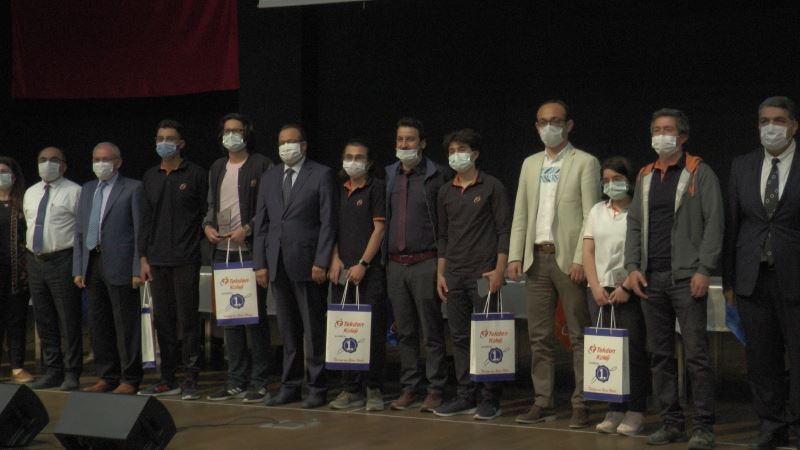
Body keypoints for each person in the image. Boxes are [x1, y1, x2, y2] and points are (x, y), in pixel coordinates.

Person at [624, 108, 723, 449]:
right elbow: (634, 225)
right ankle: (671, 422)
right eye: (656, 129)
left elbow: (714, 223)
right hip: (651, 278)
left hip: (686, 278)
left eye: (667, 130)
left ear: (682, 136)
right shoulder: (646, 175)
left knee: (696, 355)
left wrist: (704, 269)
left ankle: (703, 426)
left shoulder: (699, 172)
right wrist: (632, 266)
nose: (661, 135)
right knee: (660, 355)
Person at [508, 100, 600, 428]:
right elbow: (521, 212)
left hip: (568, 260)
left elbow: (591, 215)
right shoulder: (530, 164)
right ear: (536, 126)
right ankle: (543, 401)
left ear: (568, 125)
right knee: (539, 336)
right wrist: (516, 255)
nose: (549, 127)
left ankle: (581, 402)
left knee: (578, 335)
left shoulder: (585, 162)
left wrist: (580, 259)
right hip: (536, 259)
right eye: (543, 122)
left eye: (556, 121)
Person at [723, 96, 800, 450]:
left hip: (795, 277)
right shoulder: (742, 165)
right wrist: (729, 281)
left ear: (794, 126)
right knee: (762, 359)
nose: (771, 127)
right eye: (764, 121)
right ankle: (772, 425)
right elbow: (733, 225)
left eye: (779, 120)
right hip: (752, 279)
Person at [254, 124, 336, 409]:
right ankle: (290, 386)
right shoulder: (269, 177)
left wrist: (322, 260)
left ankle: (317, 386)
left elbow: (328, 222)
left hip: (309, 263)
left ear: (304, 145)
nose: (286, 146)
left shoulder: (321, 174)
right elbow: (262, 223)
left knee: (313, 330)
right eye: (281, 142)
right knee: (288, 331)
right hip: (276, 263)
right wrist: (260, 264)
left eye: (291, 141)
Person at [433, 129, 510, 421]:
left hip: (484, 274)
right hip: (454, 274)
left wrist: (500, 270)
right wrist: (441, 273)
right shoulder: (445, 191)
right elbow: (443, 235)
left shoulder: (492, 186)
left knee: (489, 337)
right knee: (460, 337)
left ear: (475, 153)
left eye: (462, 150)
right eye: (452, 151)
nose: (456, 156)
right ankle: (466, 395)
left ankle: (490, 398)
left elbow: (504, 230)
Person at [203, 113, 273, 403]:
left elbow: (269, 207)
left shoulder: (261, 164)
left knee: (254, 319)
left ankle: (260, 381)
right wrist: (207, 226)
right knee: (230, 319)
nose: (231, 135)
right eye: (227, 130)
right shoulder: (218, 167)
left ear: (247, 134)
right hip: (223, 252)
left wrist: (248, 229)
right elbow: (212, 205)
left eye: (237, 130)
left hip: (251, 252)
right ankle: (235, 380)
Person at [138, 120, 208, 400]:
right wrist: (143, 257)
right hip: (156, 260)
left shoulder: (196, 174)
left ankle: (191, 377)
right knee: (163, 321)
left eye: (169, 138)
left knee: (188, 320)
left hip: (186, 258)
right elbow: (144, 220)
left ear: (181, 144)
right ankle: (168, 378)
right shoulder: (150, 176)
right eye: (160, 138)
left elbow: (205, 214)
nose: (164, 142)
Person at [385, 117, 450, 412]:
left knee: (432, 331)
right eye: (400, 139)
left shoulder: (437, 175)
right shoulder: (389, 174)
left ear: (422, 143)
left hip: (426, 262)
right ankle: (410, 387)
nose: (404, 144)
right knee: (405, 331)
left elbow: (445, 223)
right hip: (396, 265)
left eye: (410, 139)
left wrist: (441, 264)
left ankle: (436, 389)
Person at [582, 156, 648, 436]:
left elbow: (643, 252)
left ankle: (636, 409)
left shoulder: (639, 211)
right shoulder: (597, 211)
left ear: (629, 181)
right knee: (605, 351)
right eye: (606, 181)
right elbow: (588, 251)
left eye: (617, 179)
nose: (611, 185)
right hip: (599, 291)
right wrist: (595, 286)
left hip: (629, 289)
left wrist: (626, 287)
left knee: (633, 351)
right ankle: (614, 408)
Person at [72, 142, 143, 395]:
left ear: (118, 162)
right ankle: (107, 376)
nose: (101, 164)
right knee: (99, 323)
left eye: (106, 159)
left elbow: (139, 232)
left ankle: (130, 378)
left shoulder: (133, 188)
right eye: (96, 159)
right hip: (92, 264)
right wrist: (78, 268)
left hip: (121, 263)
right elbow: (80, 232)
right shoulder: (87, 189)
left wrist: (137, 268)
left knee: (125, 324)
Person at [327, 139, 387, 412]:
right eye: (349, 156)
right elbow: (331, 228)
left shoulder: (377, 187)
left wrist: (363, 263)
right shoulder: (338, 189)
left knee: (371, 332)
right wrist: (334, 258)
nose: (353, 161)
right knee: (344, 329)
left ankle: (373, 388)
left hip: (369, 272)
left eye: (359, 157)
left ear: (369, 162)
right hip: (341, 271)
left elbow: (379, 230)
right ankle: (349, 389)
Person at [23, 146, 83, 390]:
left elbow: (81, 232)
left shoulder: (74, 191)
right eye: (43, 159)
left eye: (54, 159)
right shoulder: (30, 192)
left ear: (64, 165)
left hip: (63, 260)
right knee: (44, 318)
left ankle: (72, 372)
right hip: (35, 260)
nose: (47, 163)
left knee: (68, 319)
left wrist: (78, 266)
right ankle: (52, 370)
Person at [0, 156, 33, 384]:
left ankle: (17, 367)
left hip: (17, 273)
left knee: (16, 319)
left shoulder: (23, 203)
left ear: (13, 176)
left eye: (4, 171)